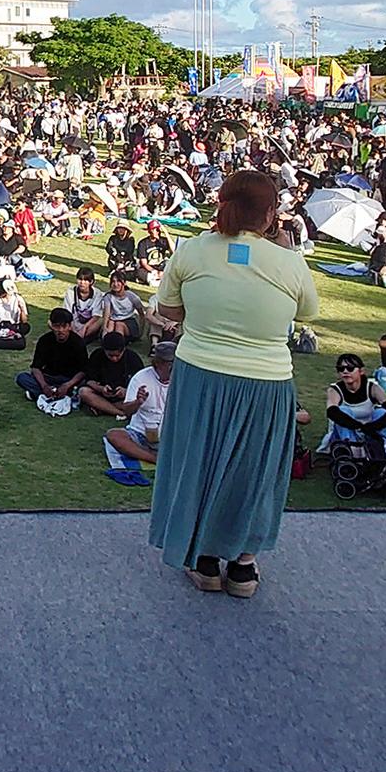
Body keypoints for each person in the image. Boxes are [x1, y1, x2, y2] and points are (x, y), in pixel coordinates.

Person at [148, 169, 318, 599]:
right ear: (270, 213)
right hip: (266, 381)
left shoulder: (190, 251)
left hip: (201, 373)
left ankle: (203, 557)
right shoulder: (289, 262)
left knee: (198, 462)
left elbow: (168, 311)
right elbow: (308, 313)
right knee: (255, 470)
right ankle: (243, 564)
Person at [103, 339, 175, 478]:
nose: (174, 367)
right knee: (114, 435)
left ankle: (155, 454)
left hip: (170, 434)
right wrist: (138, 402)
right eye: (170, 363)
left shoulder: (181, 380)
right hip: (141, 433)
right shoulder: (141, 378)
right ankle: (155, 459)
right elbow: (127, 411)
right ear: (158, 363)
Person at [317, 353, 386, 455]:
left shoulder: (372, 388)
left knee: (382, 412)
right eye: (341, 369)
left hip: (369, 430)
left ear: (361, 371)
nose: (345, 372)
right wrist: (358, 426)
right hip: (344, 432)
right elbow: (332, 412)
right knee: (343, 410)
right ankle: (352, 452)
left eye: (350, 368)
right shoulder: (335, 390)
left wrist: (372, 427)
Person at [17, 308, 88, 408]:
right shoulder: (44, 340)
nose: (61, 330)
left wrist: (67, 385)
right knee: (21, 377)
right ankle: (58, 395)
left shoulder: (78, 342)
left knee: (85, 385)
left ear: (70, 326)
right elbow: (36, 367)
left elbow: (83, 370)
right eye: (57, 327)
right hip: (49, 377)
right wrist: (44, 386)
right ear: (52, 326)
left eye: (64, 326)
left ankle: (40, 394)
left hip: (69, 380)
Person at [78, 330, 146, 418]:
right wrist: (101, 388)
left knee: (138, 401)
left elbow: (141, 385)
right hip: (102, 394)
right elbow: (89, 380)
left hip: (124, 396)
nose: (114, 359)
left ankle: (102, 408)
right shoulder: (97, 355)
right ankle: (120, 413)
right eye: (110, 355)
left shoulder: (133, 359)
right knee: (84, 392)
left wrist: (126, 391)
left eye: (117, 356)